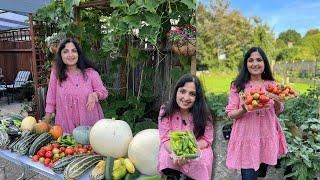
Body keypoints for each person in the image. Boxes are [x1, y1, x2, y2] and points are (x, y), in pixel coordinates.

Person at [225, 47, 287, 180]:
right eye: (251, 60)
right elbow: (230, 113)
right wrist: (244, 109)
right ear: (246, 64)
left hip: (267, 136)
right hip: (246, 138)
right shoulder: (238, 86)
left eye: (259, 60)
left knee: (261, 176)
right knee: (248, 177)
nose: (255, 63)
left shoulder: (272, 84)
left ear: (264, 63)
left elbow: (279, 109)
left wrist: (275, 100)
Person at [43, 38, 108, 133]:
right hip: (64, 128)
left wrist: (95, 94)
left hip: (90, 128)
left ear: (78, 54)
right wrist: (45, 123)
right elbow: (50, 99)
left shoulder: (90, 73)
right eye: (65, 52)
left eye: (74, 51)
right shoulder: (56, 74)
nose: (70, 55)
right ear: (60, 55)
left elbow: (104, 92)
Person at [157, 74, 214, 180]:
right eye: (182, 91)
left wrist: (188, 152)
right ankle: (173, 176)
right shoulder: (166, 110)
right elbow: (165, 138)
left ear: (197, 97)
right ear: (176, 92)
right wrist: (176, 153)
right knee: (166, 157)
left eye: (192, 94)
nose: (186, 98)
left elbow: (207, 139)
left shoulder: (205, 113)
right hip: (172, 146)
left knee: (202, 160)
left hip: (197, 147)